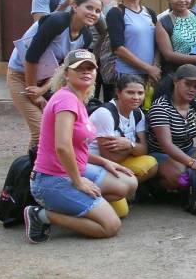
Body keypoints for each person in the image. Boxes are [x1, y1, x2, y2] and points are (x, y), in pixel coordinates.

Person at [24, 50, 137, 243]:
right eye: (79, 69)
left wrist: (103, 162)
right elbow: (63, 146)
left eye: (90, 68)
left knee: (128, 183)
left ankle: (79, 204)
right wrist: (78, 182)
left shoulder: (78, 98)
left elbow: (77, 147)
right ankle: (41, 215)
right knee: (110, 226)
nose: (86, 72)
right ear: (66, 74)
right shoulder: (65, 99)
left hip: (76, 168)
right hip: (52, 178)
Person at [8, 0, 101, 151]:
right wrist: (33, 92)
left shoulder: (85, 36)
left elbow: (64, 69)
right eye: (89, 8)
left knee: (48, 129)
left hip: (46, 80)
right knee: (40, 130)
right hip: (20, 75)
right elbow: (31, 57)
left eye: (98, 11)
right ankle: (38, 173)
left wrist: (42, 89)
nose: (93, 13)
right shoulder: (57, 22)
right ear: (74, 6)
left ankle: (32, 170)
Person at [88, 74, 157, 217]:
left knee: (151, 163)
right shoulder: (106, 114)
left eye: (140, 93)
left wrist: (129, 145)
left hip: (116, 161)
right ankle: (95, 194)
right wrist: (134, 149)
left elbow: (144, 148)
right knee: (121, 212)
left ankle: (116, 191)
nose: (136, 97)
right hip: (96, 165)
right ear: (118, 93)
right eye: (130, 92)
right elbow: (109, 157)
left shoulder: (138, 114)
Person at [147, 64, 196, 190]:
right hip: (161, 153)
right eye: (188, 84)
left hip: (188, 150)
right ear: (175, 82)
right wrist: (192, 163)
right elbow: (167, 145)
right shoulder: (161, 107)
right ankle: (153, 186)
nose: (192, 89)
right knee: (183, 177)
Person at [104, 0, 160, 99]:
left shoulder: (150, 13)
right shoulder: (116, 13)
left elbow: (157, 42)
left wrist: (155, 67)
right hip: (126, 75)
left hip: (150, 76)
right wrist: (147, 68)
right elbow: (118, 48)